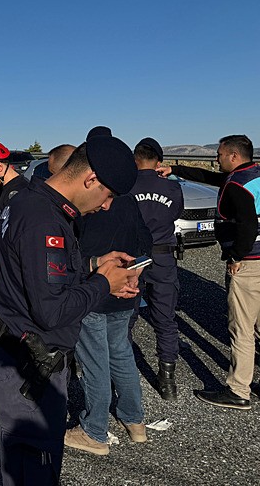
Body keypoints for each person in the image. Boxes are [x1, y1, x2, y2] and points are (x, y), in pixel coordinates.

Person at [0, 134, 141, 486]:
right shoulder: (45, 221)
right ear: (90, 180)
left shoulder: (31, 201)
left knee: (23, 464)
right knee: (35, 469)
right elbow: (51, 311)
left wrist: (95, 264)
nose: (107, 206)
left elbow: (34, 269)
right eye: (108, 195)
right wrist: (105, 284)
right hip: (31, 369)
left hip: (19, 355)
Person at [162, 134, 259, 410]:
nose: (216, 159)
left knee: (241, 328)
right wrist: (176, 170)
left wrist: (236, 256)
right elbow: (211, 178)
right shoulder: (253, 175)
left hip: (249, 263)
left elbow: (248, 225)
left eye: (219, 155)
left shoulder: (238, 186)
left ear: (233, 156)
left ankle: (238, 390)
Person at [65, 176, 153, 455]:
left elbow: (74, 254)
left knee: (95, 363)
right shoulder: (128, 201)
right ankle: (134, 420)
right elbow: (146, 242)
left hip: (95, 293)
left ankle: (94, 431)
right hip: (126, 293)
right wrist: (134, 274)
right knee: (121, 354)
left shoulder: (86, 204)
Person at [129, 137, 183, 401]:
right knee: (165, 319)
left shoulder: (125, 187)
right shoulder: (172, 189)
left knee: (125, 318)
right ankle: (167, 380)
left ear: (135, 159)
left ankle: (122, 373)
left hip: (133, 259)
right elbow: (175, 215)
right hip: (163, 258)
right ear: (158, 161)